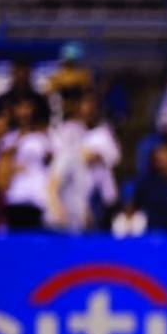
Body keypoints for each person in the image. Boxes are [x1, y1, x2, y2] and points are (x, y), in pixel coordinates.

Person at [49, 92, 121, 232]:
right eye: (85, 105)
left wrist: (91, 154)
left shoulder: (104, 132)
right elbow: (62, 157)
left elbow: (112, 157)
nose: (88, 109)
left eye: (92, 105)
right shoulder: (68, 129)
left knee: (99, 234)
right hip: (72, 190)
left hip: (99, 191)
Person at [1, 97, 52, 231]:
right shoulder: (8, 139)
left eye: (28, 108)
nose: (25, 113)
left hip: (38, 198)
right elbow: (2, 167)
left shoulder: (43, 137)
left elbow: (53, 163)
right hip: (15, 197)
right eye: (21, 108)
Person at [0, 58, 51, 129]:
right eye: (18, 72)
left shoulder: (40, 101)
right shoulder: (3, 101)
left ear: (29, 74)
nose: (21, 76)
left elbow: (46, 125)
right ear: (13, 74)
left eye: (24, 73)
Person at [47, 41, 94, 122]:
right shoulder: (56, 78)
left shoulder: (83, 75)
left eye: (73, 65)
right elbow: (50, 91)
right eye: (67, 64)